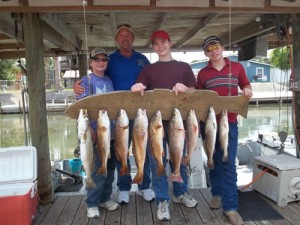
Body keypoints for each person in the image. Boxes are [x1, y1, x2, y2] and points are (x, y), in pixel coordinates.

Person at [74, 24, 155, 204]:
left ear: (133, 38)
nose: (125, 38)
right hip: (117, 117)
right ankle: (124, 188)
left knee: (144, 151)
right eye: (121, 35)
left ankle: (144, 185)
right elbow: (95, 76)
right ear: (116, 39)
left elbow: (151, 83)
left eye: (128, 35)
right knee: (120, 152)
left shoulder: (143, 59)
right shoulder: (110, 60)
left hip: (141, 114)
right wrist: (78, 84)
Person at [131, 30, 198, 221]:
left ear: (171, 42)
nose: (160, 46)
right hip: (155, 125)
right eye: (156, 43)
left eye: (163, 42)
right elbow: (138, 90)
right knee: (157, 163)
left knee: (180, 160)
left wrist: (186, 88)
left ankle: (180, 192)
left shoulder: (184, 67)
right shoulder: (148, 70)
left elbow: (194, 90)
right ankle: (162, 200)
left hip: (179, 124)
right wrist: (137, 88)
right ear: (153, 47)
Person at [197, 36, 253, 225]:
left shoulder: (237, 67)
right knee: (213, 160)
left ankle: (230, 208)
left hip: (230, 123)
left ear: (222, 47)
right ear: (206, 53)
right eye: (209, 48)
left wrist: (247, 90)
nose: (214, 50)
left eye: (216, 46)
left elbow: (246, 84)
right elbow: (199, 97)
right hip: (209, 124)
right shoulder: (203, 73)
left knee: (228, 164)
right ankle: (217, 194)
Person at [76, 48, 119, 219]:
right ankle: (92, 203)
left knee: (109, 168)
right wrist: (91, 130)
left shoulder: (109, 80)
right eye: (97, 59)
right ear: (91, 62)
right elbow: (82, 109)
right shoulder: (85, 81)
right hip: (94, 134)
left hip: (111, 133)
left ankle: (105, 198)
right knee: (96, 171)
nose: (101, 62)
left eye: (104, 59)